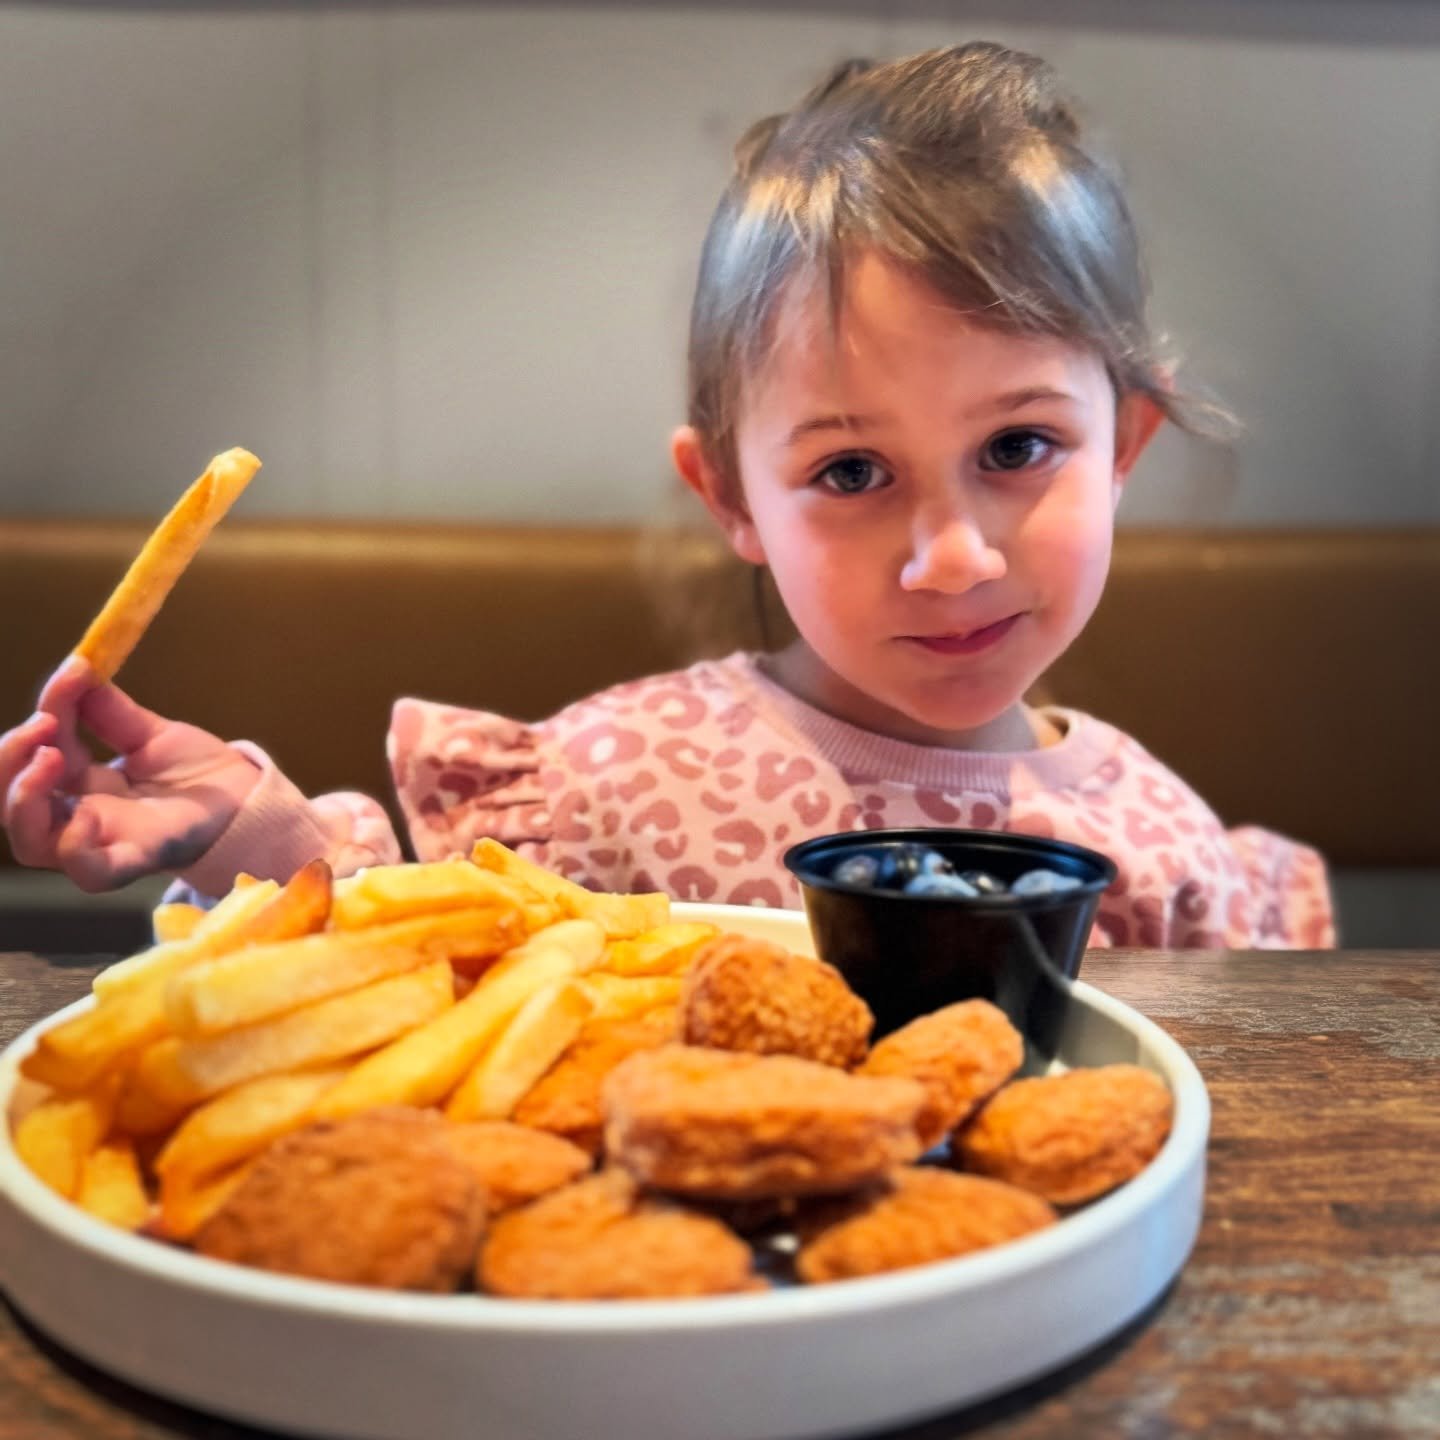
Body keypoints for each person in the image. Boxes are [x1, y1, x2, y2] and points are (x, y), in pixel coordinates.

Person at [0, 43, 1333, 948]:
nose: (951, 556)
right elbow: (404, 938)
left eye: (1018, 449)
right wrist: (243, 838)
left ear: (1126, 445)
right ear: (732, 496)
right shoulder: (605, 787)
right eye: (851, 471)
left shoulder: (1162, 846)